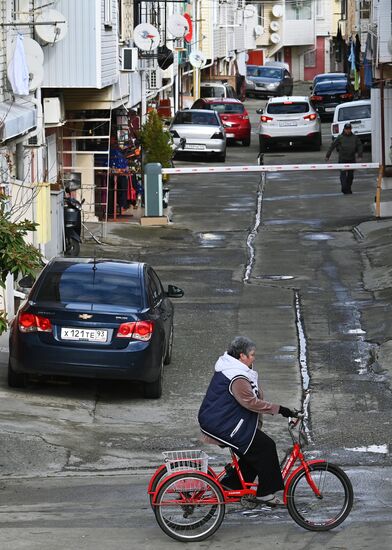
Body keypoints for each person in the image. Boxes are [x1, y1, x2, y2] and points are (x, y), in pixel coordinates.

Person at [198, 336, 297, 507]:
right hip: (222, 424)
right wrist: (281, 409)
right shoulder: (236, 376)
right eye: (251, 355)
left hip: (225, 420)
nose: (254, 358)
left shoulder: (232, 368)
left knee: (253, 452)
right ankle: (266, 493)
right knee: (266, 447)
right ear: (241, 356)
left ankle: (230, 485)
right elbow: (250, 402)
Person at [325, 122, 363, 194]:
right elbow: (332, 146)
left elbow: (360, 145)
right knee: (343, 175)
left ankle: (348, 188)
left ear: (351, 129)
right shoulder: (340, 137)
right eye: (346, 129)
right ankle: (344, 188)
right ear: (344, 129)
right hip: (342, 159)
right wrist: (327, 156)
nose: (348, 130)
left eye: (349, 129)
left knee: (350, 176)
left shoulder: (355, 137)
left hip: (351, 159)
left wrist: (360, 155)